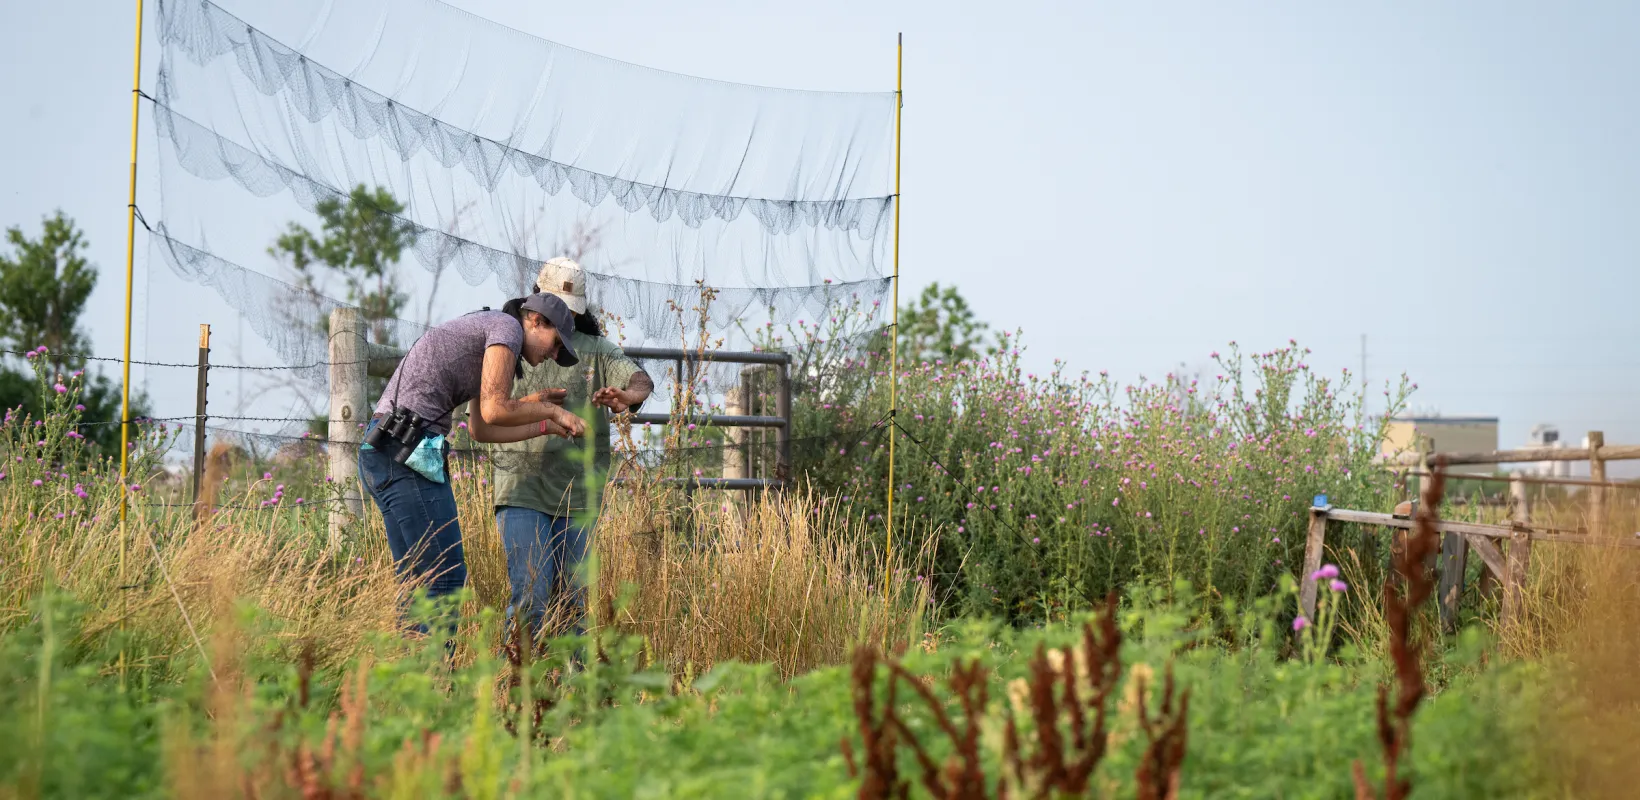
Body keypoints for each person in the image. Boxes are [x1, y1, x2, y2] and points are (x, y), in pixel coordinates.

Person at [358, 293, 587, 627]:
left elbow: (482, 428)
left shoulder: (489, 329)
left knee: (417, 582)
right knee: (445, 579)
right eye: (554, 345)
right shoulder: (507, 328)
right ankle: (435, 675)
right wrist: (553, 409)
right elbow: (496, 408)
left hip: (383, 447)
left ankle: (409, 677)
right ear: (536, 321)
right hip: (409, 451)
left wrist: (543, 425)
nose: (553, 355)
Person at [491, 257, 654, 645]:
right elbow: (488, 408)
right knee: (531, 597)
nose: (555, 322)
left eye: (566, 313)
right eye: (549, 312)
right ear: (533, 307)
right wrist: (537, 403)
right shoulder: (508, 340)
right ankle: (514, 691)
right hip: (522, 488)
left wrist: (626, 396)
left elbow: (640, 379)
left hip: (578, 496)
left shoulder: (596, 350)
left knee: (575, 605)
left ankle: (572, 697)